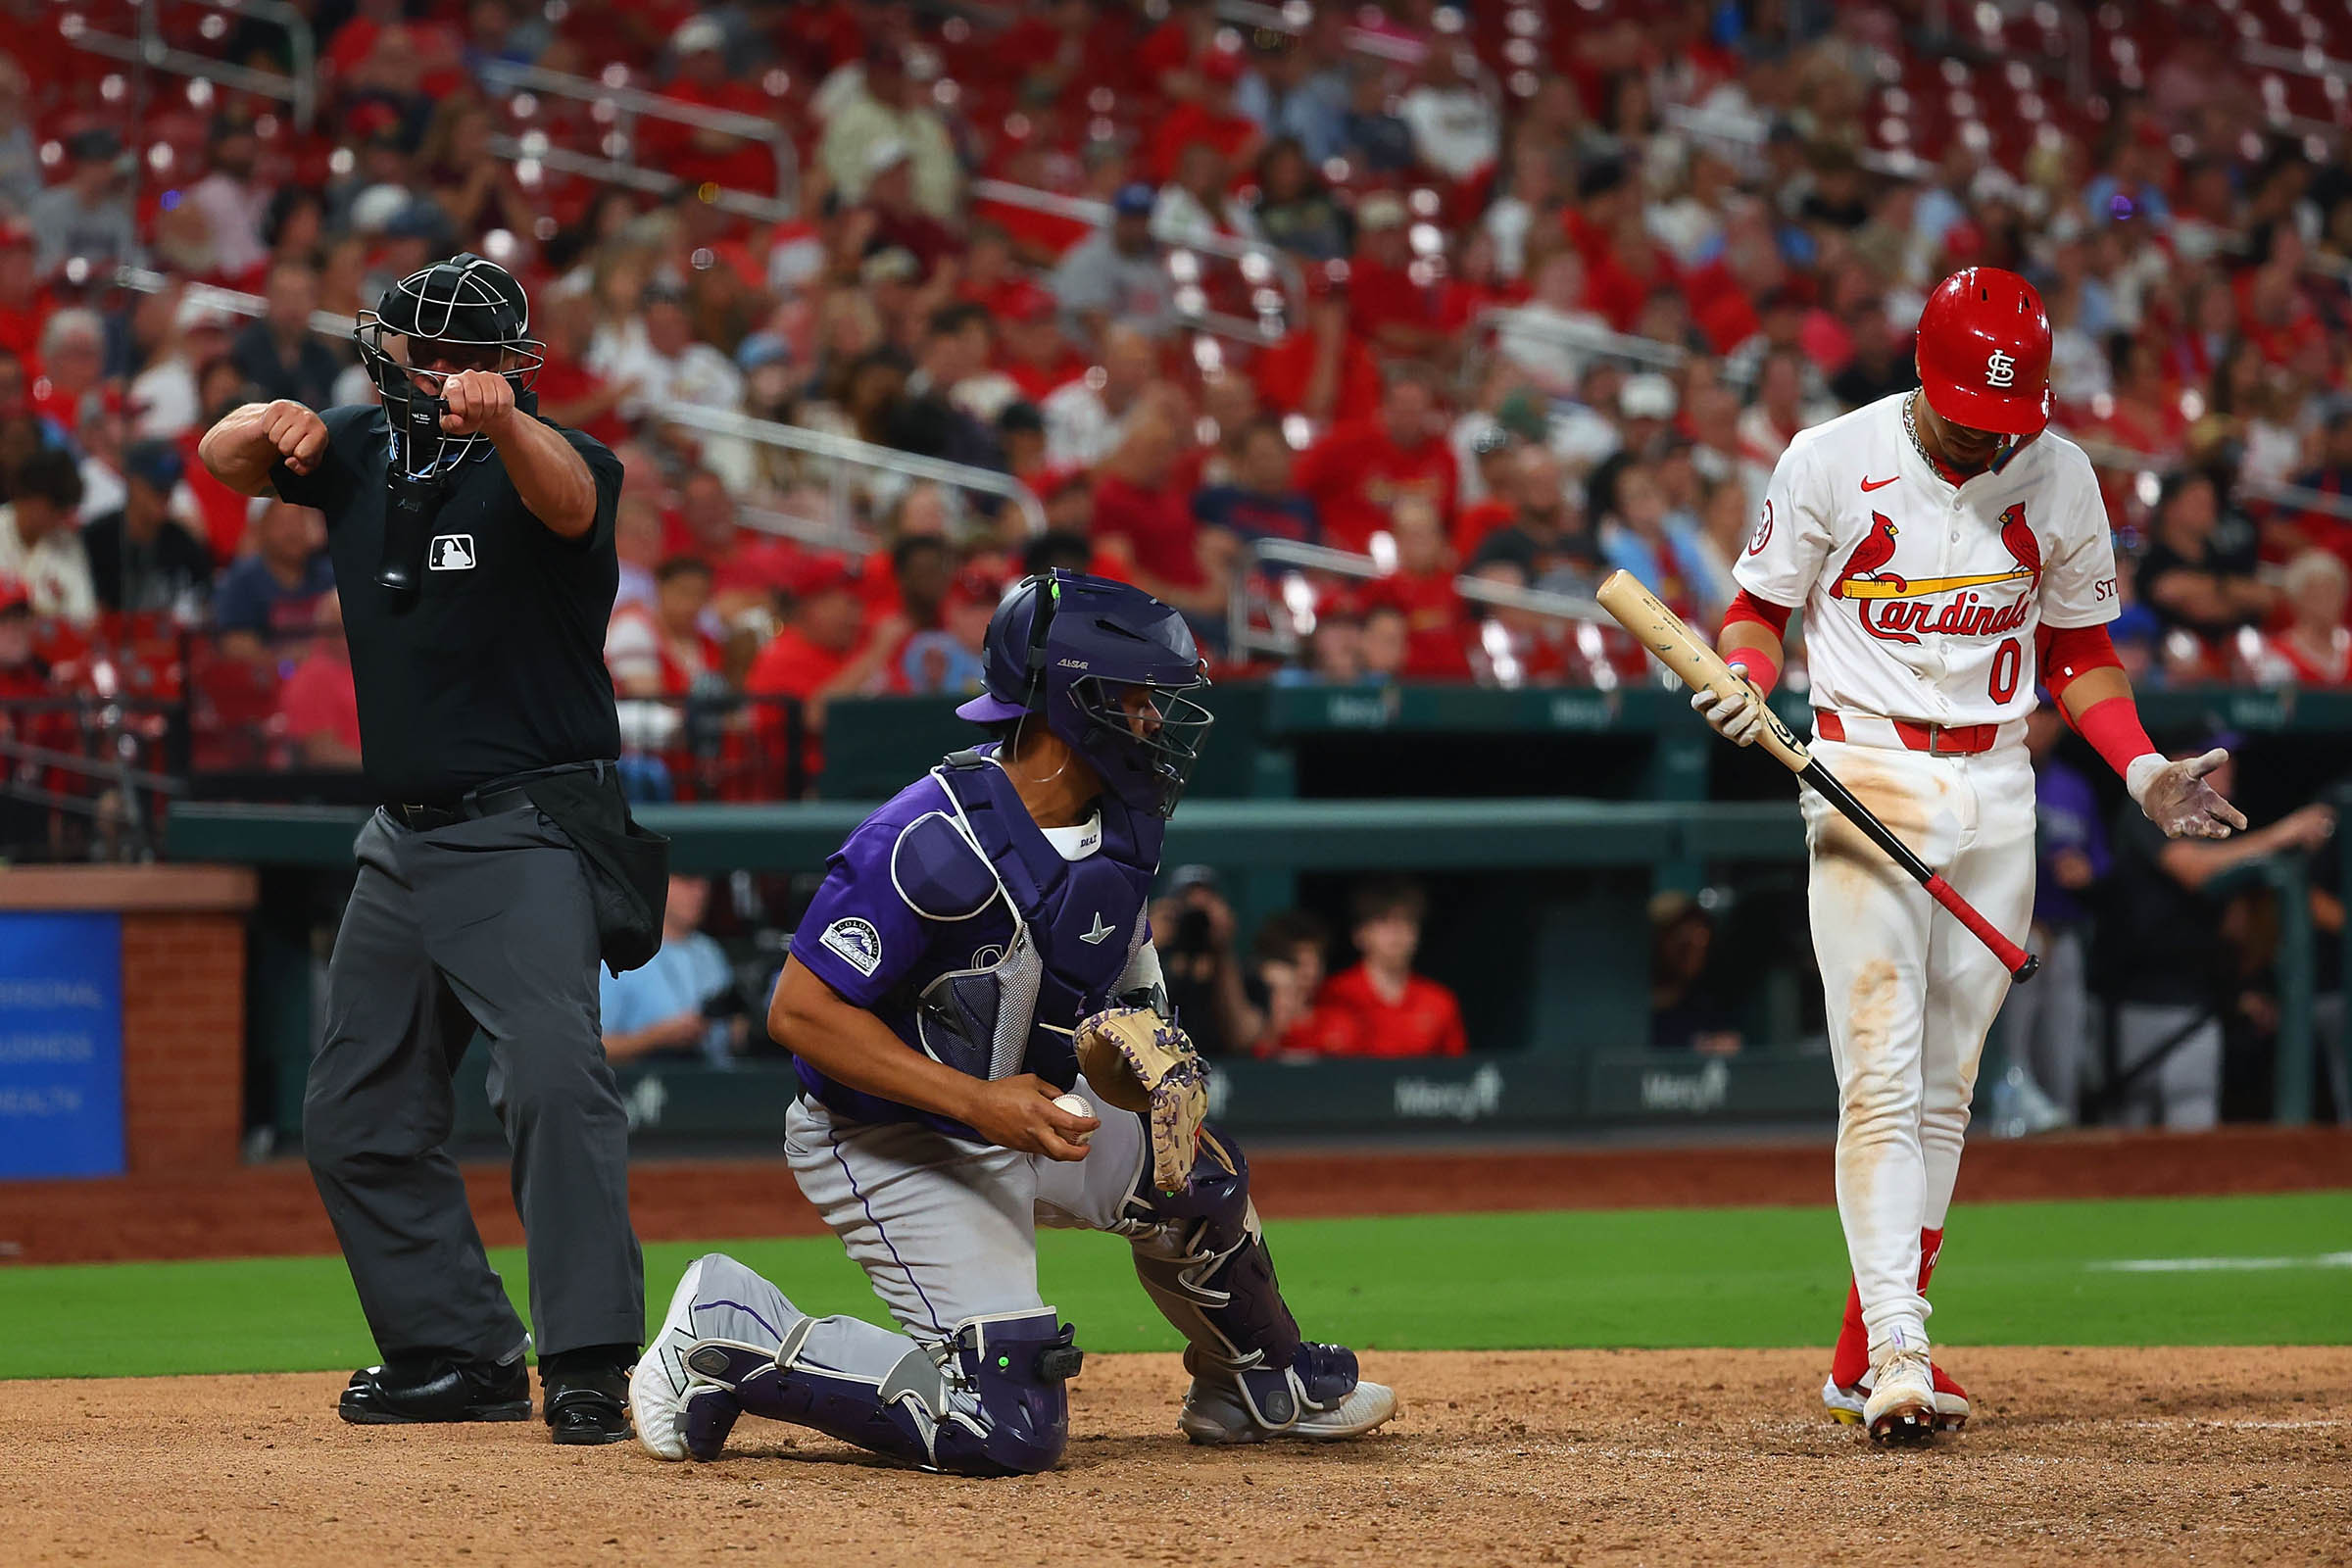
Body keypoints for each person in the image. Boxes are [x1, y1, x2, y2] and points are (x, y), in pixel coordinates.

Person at [628, 570, 1396, 1473]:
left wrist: (1136, 1067)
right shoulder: (925, 840)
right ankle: (733, 1330)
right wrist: (977, 1102)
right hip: (891, 1137)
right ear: (1077, 701)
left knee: (1193, 1170)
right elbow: (799, 1011)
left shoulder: (1122, 827)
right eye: (1139, 698)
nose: (1155, 722)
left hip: (1024, 1107)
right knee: (1005, 1431)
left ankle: (1252, 1381)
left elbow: (1110, 998)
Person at [1692, 269, 2248, 1446]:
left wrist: (2142, 769)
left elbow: (2080, 649)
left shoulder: (2062, 473)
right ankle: (1899, 1345)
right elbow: (1755, 610)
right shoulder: (1829, 457)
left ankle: (1862, 1351)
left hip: (2000, 782)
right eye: (1967, 410)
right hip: (1863, 769)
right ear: (1920, 372)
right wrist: (1742, 676)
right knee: (1883, 1068)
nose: (1989, 434)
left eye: (2010, 416)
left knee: (1948, 1085)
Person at [197, 253, 656, 1445]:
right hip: (400, 844)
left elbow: (570, 502)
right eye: (424, 352)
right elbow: (224, 459)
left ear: (513, 367)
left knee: (552, 1079)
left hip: (524, 825)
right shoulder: (358, 447)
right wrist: (267, 416)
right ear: (389, 353)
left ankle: (594, 1357)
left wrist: (506, 426)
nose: (442, 374)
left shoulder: (555, 461)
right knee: (352, 1114)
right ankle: (457, 1348)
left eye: (469, 357)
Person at [2101, 745, 2334, 1130]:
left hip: (2197, 999)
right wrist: (2283, 834)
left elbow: (2237, 923)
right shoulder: (2143, 811)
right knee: (2127, 1125)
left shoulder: (2216, 825)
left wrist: (2246, 988)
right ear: (2181, 761)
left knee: (2194, 1121)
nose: (2229, 772)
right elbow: (2195, 872)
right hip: (2133, 998)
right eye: (2215, 762)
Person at [1292, 877, 1467, 1058]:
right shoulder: (1332, 994)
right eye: (1383, 921)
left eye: (1407, 921)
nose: (1397, 932)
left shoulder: (1440, 1001)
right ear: (1359, 934)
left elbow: (1457, 1074)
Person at [600, 873, 744, 1066]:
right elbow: (592, 1048)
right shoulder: (623, 951)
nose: (700, 892)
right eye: (687, 881)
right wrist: (652, 1039)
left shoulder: (710, 951)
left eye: (704, 882)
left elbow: (734, 1032)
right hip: (645, 1086)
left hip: (714, 1082)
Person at [80, 441, 214, 615]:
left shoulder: (183, 543)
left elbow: (207, 603)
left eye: (170, 487)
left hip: (165, 639)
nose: (166, 495)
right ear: (133, 483)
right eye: (157, 487)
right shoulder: (97, 538)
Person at [1151, 864, 1260, 1058]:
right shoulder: (1153, 967)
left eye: (1206, 907)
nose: (1196, 918)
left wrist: (1223, 949)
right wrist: (1147, 944)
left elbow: (1243, 1038)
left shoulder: (1243, 972)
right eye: (1186, 904)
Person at [213, 499, 337, 661]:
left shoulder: (329, 576)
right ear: (261, 528)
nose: (292, 532)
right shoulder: (241, 582)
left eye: (298, 521)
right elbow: (234, 644)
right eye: (282, 523)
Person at [0, 447, 95, 624]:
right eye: (54, 507)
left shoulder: (67, 543)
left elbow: (85, 619)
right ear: (27, 496)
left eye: (64, 510)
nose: (59, 518)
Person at [275, 590, 364, 770]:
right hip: (349, 788)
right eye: (339, 628)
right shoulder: (312, 679)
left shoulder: (370, 665)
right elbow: (322, 753)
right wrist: (385, 770)